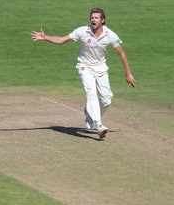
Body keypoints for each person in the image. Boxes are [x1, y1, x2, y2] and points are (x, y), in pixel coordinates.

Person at [31, 8, 136, 138]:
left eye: (96, 18)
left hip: (101, 69)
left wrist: (128, 74)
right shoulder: (82, 31)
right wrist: (45, 37)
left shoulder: (110, 35)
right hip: (85, 67)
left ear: (102, 20)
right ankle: (98, 125)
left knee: (107, 100)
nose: (93, 20)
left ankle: (89, 114)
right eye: (92, 17)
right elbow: (62, 40)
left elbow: (122, 53)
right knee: (91, 92)